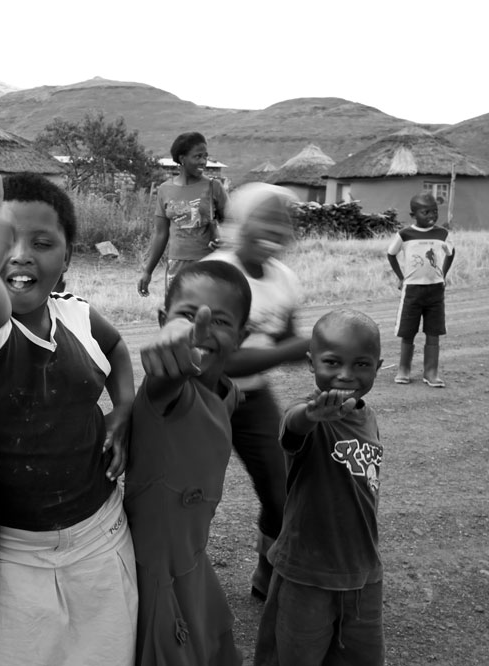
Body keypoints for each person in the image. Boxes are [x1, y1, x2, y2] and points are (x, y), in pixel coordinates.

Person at [0, 171, 137, 666]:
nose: (21, 254)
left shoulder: (78, 317)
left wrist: (124, 409)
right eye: (6, 241)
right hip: (7, 555)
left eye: (42, 243)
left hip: (101, 538)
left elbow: (116, 349)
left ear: (67, 257)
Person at [125, 261, 250, 666]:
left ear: (241, 337)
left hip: (192, 563)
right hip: (155, 577)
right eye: (186, 315)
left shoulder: (227, 394)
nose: (202, 328)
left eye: (221, 321)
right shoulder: (166, 395)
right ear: (163, 321)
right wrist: (165, 360)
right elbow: (163, 381)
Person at [253, 309, 384, 666]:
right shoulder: (306, 413)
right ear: (312, 363)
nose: (346, 374)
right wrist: (312, 416)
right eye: (332, 362)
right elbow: (293, 428)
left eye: (361, 364)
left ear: (378, 366)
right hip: (306, 573)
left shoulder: (367, 416)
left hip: (362, 570)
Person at [206, 183, 310, 599]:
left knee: (281, 489)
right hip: (203, 397)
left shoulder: (284, 279)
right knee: (189, 493)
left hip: (253, 398)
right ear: (239, 224)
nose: (275, 228)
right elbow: (221, 361)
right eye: (264, 218)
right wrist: (296, 348)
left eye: (283, 221)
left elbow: (288, 339)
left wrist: (337, 352)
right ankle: (174, 584)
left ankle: (267, 574)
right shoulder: (218, 275)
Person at [137, 131, 227, 297]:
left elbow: (232, 223)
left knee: (207, 314)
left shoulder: (214, 187)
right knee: (177, 314)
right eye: (197, 156)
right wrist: (147, 271)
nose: (203, 162)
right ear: (182, 159)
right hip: (177, 265)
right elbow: (160, 234)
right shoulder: (165, 190)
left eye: (205, 156)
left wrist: (224, 241)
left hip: (208, 264)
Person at [387, 192, 455, 388]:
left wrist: (443, 274)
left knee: (433, 331)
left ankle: (431, 372)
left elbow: (451, 253)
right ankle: (404, 369)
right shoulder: (405, 234)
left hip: (435, 291)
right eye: (426, 212)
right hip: (412, 291)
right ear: (413, 215)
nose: (432, 216)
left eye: (435, 211)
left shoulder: (442, 234)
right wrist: (401, 277)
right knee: (408, 331)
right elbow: (391, 254)